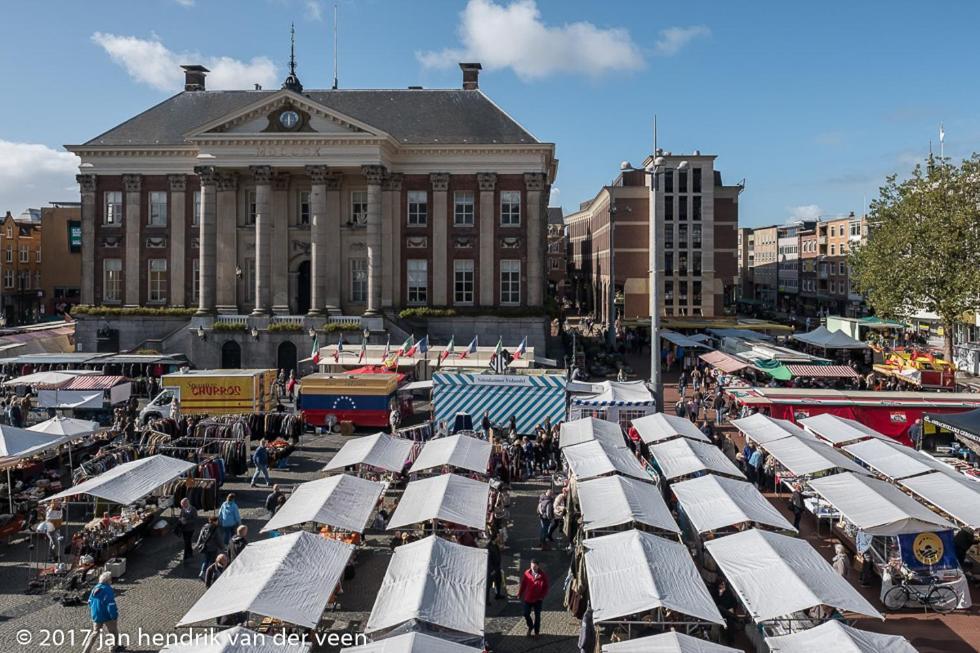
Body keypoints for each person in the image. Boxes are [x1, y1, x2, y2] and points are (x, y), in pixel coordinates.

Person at [82, 571, 121, 653]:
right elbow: (111, 605)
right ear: (108, 581)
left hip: (96, 615)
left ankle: (86, 650)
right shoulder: (108, 589)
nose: (111, 581)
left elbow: (89, 601)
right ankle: (113, 647)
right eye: (111, 580)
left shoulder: (95, 588)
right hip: (107, 615)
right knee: (113, 631)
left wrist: (94, 610)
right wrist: (114, 616)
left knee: (95, 632)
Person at [518, 559, 549, 638]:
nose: (533, 568)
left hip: (538, 599)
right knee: (526, 613)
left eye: (535, 567)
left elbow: (546, 587)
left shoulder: (542, 575)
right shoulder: (527, 573)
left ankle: (536, 632)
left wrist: (542, 596)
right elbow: (523, 584)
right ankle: (530, 626)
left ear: (538, 566)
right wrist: (520, 593)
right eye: (532, 566)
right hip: (528, 597)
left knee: (537, 616)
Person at [176, 497, 198, 562]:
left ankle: (185, 556)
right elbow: (180, 516)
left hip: (190, 529)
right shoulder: (183, 509)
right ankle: (190, 552)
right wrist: (180, 520)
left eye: (183, 505)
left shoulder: (193, 509)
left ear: (187, 503)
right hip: (184, 529)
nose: (182, 506)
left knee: (186, 542)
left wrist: (186, 521)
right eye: (182, 505)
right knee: (187, 541)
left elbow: (195, 519)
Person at [487, 534, 505, 600]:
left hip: (497, 567)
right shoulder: (489, 547)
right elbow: (489, 560)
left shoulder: (495, 544)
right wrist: (492, 570)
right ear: (495, 538)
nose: (499, 537)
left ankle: (498, 595)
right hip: (493, 569)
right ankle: (486, 600)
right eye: (497, 536)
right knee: (489, 585)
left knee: (498, 581)